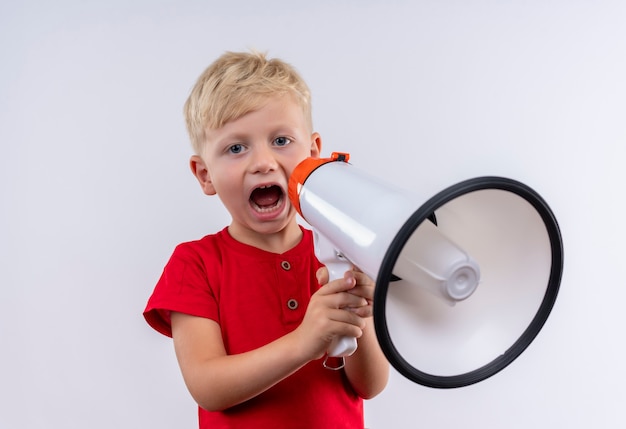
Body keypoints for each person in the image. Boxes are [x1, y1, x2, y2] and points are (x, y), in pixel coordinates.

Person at [143, 51, 389, 428]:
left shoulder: (340, 251)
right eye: (236, 148)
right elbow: (207, 386)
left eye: (280, 140)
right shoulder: (195, 264)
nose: (263, 162)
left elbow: (370, 385)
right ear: (204, 174)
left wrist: (359, 316)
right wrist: (304, 341)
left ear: (313, 154)